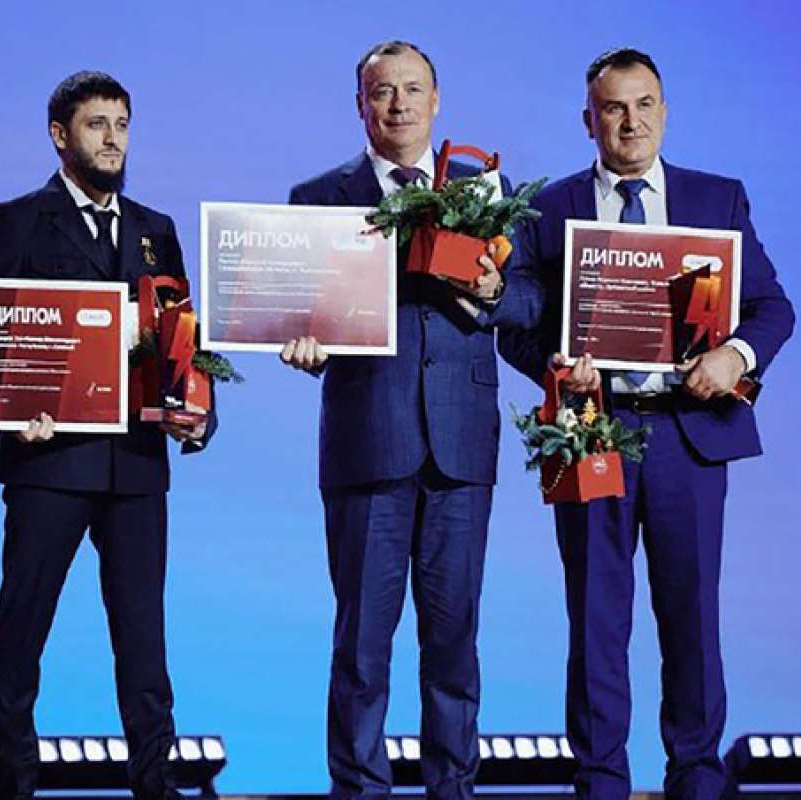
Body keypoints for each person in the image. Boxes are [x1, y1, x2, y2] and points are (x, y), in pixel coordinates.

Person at [497, 48, 795, 800]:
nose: (631, 122)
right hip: (591, 433)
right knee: (596, 618)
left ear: (664, 111)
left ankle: (696, 777)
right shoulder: (552, 209)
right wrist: (554, 368)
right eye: (614, 108)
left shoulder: (717, 199)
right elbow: (514, 330)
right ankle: (600, 780)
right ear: (588, 120)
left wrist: (734, 355)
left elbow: (772, 308)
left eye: (644, 104)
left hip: (688, 436)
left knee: (692, 616)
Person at [281, 41, 542, 800]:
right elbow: (298, 314)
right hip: (369, 443)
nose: (398, 104)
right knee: (362, 649)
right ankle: (359, 791)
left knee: (454, 646)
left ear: (437, 100)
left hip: (461, 448)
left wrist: (493, 290)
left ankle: (452, 789)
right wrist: (301, 343)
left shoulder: (486, 188)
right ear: (360, 104)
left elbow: (530, 300)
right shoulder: (318, 197)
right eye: (381, 91)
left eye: (412, 89)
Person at [0, 71, 213, 800]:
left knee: (144, 638)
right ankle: (12, 785)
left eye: (122, 125)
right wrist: (9, 409)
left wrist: (197, 414)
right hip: (48, 460)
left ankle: (155, 783)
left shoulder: (156, 229)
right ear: (59, 135)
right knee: (22, 630)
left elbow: (183, 342)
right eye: (97, 124)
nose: (112, 139)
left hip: (136, 463)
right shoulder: (17, 221)